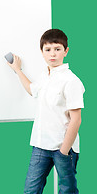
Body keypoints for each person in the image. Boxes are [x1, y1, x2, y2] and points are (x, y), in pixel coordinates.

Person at [7, 29, 85, 194]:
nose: (53, 54)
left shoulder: (71, 81)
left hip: (64, 148)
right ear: (42, 52)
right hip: (41, 145)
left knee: (67, 191)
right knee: (31, 190)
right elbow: (31, 89)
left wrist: (64, 151)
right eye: (48, 50)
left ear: (66, 51)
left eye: (57, 49)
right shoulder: (45, 76)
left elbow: (76, 119)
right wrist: (17, 70)